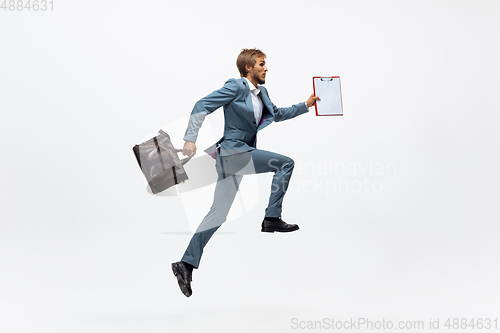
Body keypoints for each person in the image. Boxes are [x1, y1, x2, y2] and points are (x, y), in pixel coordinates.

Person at [171, 48, 320, 297]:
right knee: (285, 163)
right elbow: (202, 105)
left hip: (237, 157)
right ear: (248, 67)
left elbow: (278, 114)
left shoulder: (262, 93)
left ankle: (185, 264)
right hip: (233, 152)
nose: (266, 68)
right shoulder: (236, 86)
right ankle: (272, 218)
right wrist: (190, 138)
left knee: (217, 215)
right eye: (262, 64)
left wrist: (305, 105)